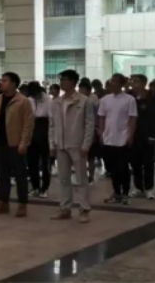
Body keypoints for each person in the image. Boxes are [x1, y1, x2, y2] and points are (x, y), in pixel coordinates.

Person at [0, 72, 35, 218]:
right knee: (2, 175)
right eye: (1, 80)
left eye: (5, 80)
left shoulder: (23, 101)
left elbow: (28, 124)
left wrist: (24, 143)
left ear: (13, 84)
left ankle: (22, 204)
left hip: (15, 144)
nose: (1, 83)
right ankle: (3, 202)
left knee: (20, 176)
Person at [50, 70, 96, 223]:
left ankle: (84, 209)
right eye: (61, 79)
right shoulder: (56, 102)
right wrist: (52, 144)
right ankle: (65, 208)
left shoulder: (84, 101)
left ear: (73, 82)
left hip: (77, 145)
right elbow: (52, 125)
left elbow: (89, 124)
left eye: (65, 79)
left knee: (81, 179)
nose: (61, 82)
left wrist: (86, 145)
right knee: (64, 179)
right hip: (61, 145)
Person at [98, 74, 137, 205]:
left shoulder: (129, 99)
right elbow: (102, 117)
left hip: (123, 137)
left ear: (121, 84)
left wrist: (130, 135)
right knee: (112, 168)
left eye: (115, 81)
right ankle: (116, 192)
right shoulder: (105, 99)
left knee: (123, 167)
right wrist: (101, 133)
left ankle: (125, 193)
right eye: (111, 81)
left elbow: (133, 118)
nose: (112, 83)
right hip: (108, 137)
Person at [129, 75, 155, 200]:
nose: (133, 84)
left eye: (136, 81)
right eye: (132, 82)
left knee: (148, 162)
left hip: (147, 135)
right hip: (133, 134)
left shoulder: (151, 97)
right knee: (135, 162)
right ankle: (138, 187)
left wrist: (153, 135)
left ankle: (149, 188)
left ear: (143, 83)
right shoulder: (130, 97)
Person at [27, 82, 53, 199]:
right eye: (32, 95)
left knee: (45, 163)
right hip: (31, 132)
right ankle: (35, 187)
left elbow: (52, 121)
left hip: (44, 132)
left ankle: (45, 188)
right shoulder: (29, 100)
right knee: (32, 162)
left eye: (35, 94)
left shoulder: (49, 101)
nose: (34, 97)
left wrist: (52, 140)